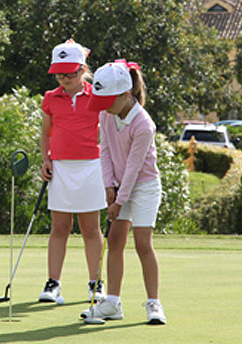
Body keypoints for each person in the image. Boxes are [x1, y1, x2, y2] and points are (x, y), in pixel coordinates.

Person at [81, 60, 166, 324]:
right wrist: (107, 186)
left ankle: (154, 303)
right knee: (116, 241)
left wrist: (119, 199)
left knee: (142, 243)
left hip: (144, 186)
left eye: (107, 100)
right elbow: (104, 151)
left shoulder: (143, 124)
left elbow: (133, 167)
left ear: (125, 95)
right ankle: (113, 304)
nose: (103, 105)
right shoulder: (106, 114)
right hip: (118, 185)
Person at [39, 40, 107, 303]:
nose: (65, 79)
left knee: (90, 228)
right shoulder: (50, 98)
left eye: (71, 73)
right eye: (60, 73)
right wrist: (45, 159)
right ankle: (53, 283)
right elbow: (46, 133)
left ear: (83, 69)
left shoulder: (98, 97)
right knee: (60, 228)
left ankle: (95, 283)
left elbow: (108, 136)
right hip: (61, 168)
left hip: (91, 167)